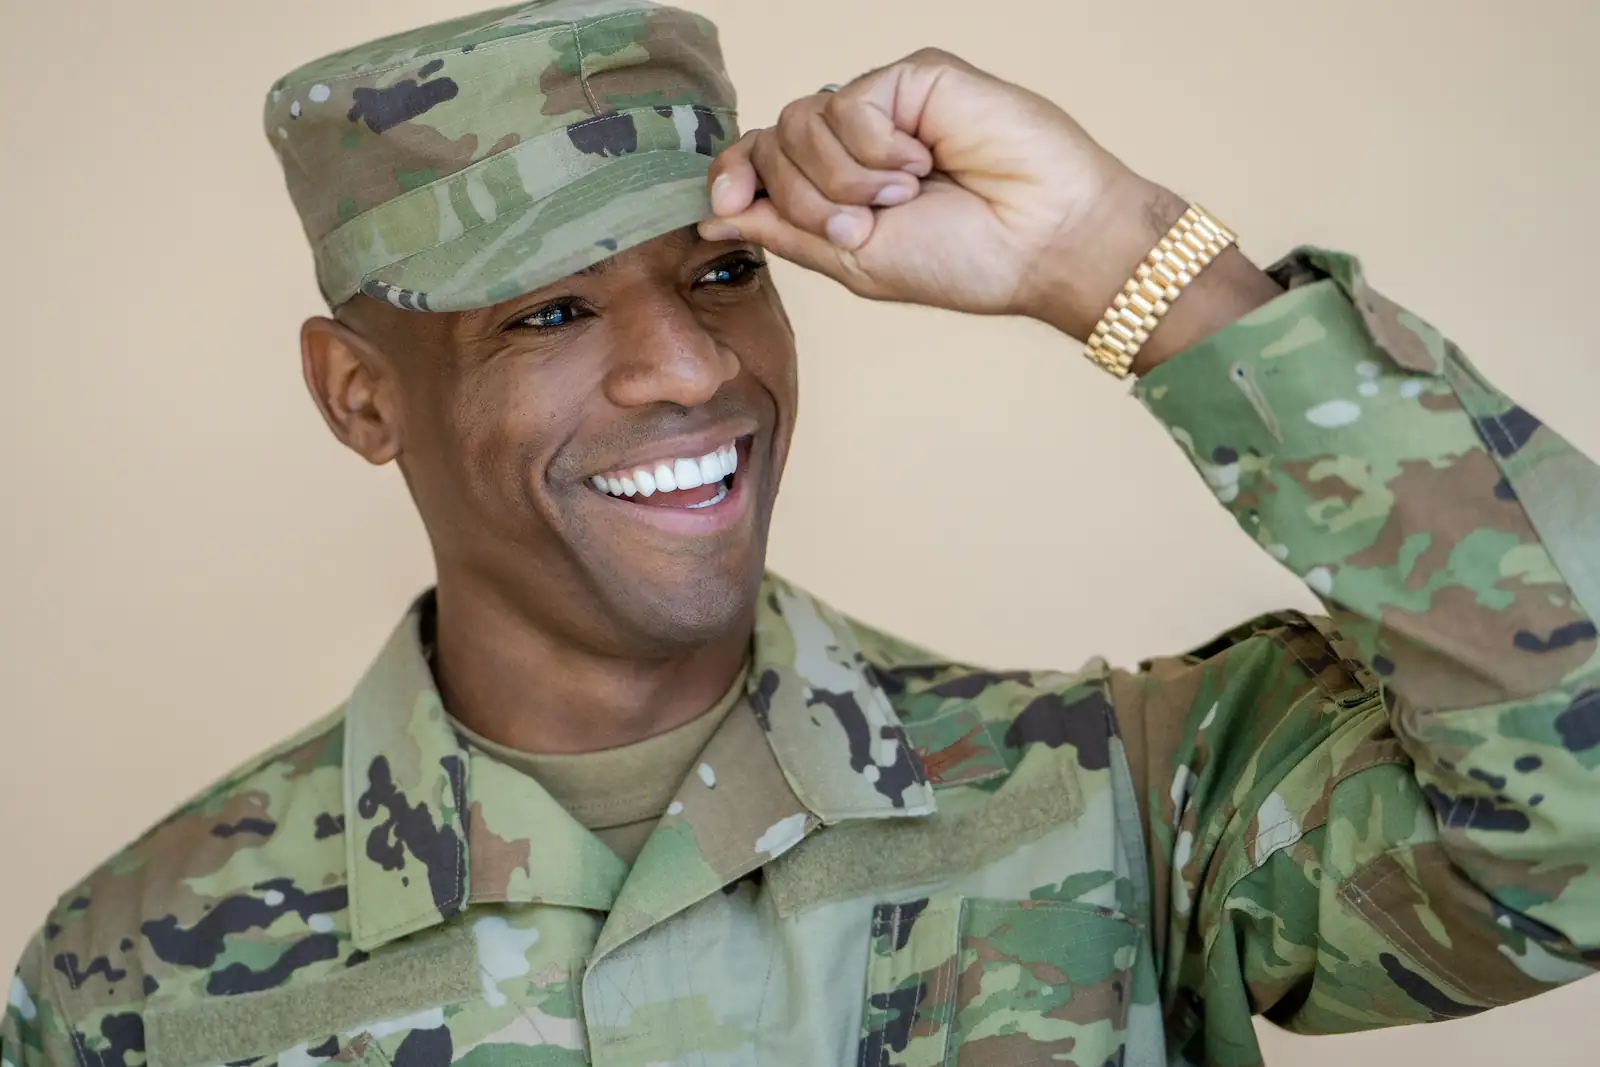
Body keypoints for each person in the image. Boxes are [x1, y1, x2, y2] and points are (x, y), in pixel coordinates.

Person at [6, 1, 1597, 1065]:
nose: (692, 367)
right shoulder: (131, 983)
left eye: (719, 274)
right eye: (551, 310)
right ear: (361, 398)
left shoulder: (1116, 795)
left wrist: (1117, 256)